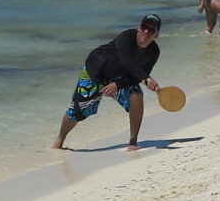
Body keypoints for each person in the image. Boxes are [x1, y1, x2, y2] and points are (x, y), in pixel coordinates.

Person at [55, 15, 168, 152]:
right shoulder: (126, 36)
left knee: (136, 94)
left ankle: (133, 141)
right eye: (144, 27)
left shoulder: (154, 52)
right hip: (95, 71)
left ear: (156, 35)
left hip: (119, 78)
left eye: (151, 30)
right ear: (139, 27)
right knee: (78, 111)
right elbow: (126, 60)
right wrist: (147, 78)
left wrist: (118, 85)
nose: (146, 31)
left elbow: (136, 77)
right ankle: (59, 140)